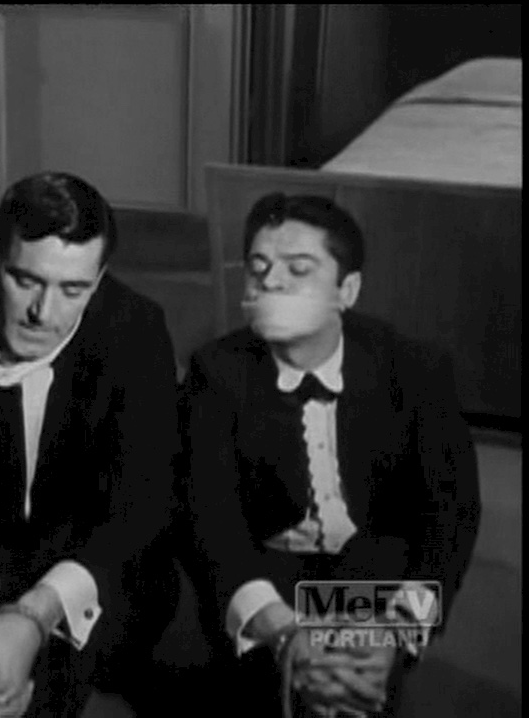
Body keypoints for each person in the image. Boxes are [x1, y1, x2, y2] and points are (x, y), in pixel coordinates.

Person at [179, 193, 481, 716]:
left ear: (347, 290)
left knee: (353, 682)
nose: (271, 282)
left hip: (374, 574)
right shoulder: (214, 372)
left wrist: (399, 630)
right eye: (258, 267)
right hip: (267, 577)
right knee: (269, 691)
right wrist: (282, 633)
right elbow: (210, 520)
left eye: (298, 269)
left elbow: (449, 517)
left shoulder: (415, 368)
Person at [0, 172, 181, 717]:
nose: (44, 312)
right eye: (25, 280)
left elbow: (140, 507)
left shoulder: (136, 329)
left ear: (100, 278)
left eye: (73, 290)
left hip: (88, 573)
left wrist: (34, 615)